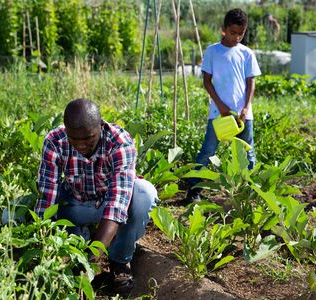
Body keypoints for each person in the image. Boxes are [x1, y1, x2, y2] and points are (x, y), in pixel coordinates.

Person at [34, 98, 158, 294]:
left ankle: (119, 260)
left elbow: (117, 203)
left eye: (89, 138)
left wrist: (89, 261)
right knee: (49, 204)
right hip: (76, 205)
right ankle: (76, 246)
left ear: (101, 125)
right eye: (75, 139)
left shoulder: (119, 141)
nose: (82, 145)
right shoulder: (54, 140)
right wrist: (42, 250)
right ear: (66, 130)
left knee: (144, 193)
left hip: (106, 205)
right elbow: (47, 197)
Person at [186, 8, 261, 203]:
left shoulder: (247, 53)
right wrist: (220, 106)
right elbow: (207, 81)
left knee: (248, 151)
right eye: (233, 32)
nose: (237, 37)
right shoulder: (213, 51)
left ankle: (249, 192)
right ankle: (194, 190)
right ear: (223, 30)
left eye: (241, 33)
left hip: (243, 115)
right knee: (208, 151)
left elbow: (251, 82)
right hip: (218, 113)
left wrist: (246, 107)